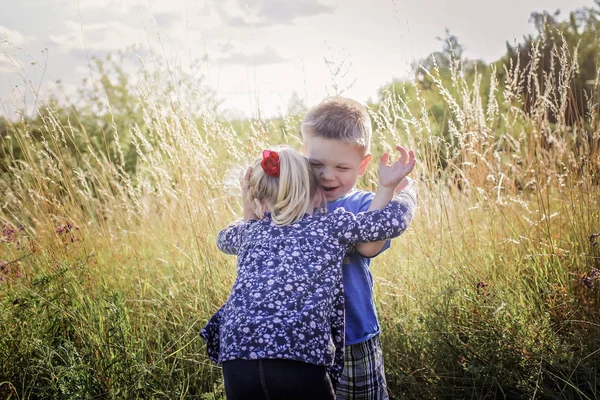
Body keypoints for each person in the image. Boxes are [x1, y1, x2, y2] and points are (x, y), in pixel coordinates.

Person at [200, 147, 416, 400]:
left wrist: (250, 205)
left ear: (257, 200)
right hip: (298, 357)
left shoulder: (248, 232)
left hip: (237, 358)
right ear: (317, 196)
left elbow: (224, 238)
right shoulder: (330, 226)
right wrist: (408, 194)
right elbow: (390, 221)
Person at [301, 97, 417, 400]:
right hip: (302, 341)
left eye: (341, 166)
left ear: (363, 164)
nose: (328, 175)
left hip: (354, 335)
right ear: (303, 154)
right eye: (316, 164)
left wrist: (387, 188)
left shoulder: (361, 203)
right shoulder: (293, 205)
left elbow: (368, 245)